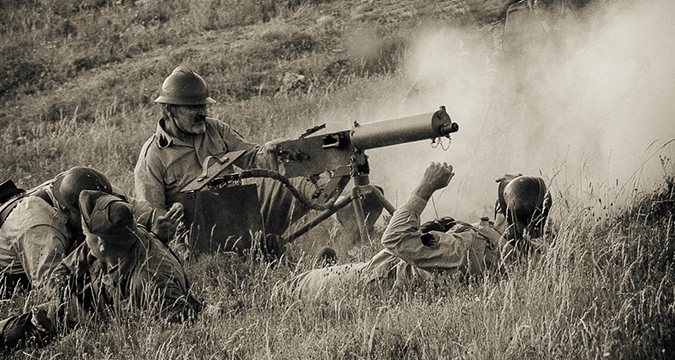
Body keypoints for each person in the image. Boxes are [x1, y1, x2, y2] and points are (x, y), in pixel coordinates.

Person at [0, 190, 201, 360]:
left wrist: (96, 335)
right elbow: (63, 271)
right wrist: (59, 302)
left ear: (98, 242)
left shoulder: (152, 280)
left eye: (86, 235)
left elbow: (180, 335)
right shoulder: (113, 239)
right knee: (19, 328)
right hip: (88, 307)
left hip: (110, 331)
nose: (82, 240)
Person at [280, 162, 552, 301]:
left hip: (373, 281)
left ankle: (302, 286)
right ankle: (324, 271)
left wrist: (426, 187)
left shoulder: (470, 247)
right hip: (387, 269)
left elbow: (395, 238)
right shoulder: (523, 255)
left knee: (288, 289)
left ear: (498, 207)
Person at [0, 166, 182, 296]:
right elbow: (54, 290)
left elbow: (122, 208)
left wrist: (155, 220)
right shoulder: (42, 229)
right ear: (69, 213)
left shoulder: (81, 186)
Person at [134, 66, 319, 245]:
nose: (202, 113)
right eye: (193, 107)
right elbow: (151, 214)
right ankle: (260, 250)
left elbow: (253, 158)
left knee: (291, 177)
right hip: (199, 237)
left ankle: (334, 205)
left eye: (203, 106)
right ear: (169, 110)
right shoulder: (152, 156)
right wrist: (166, 224)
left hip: (240, 215)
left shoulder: (216, 129)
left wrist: (272, 150)